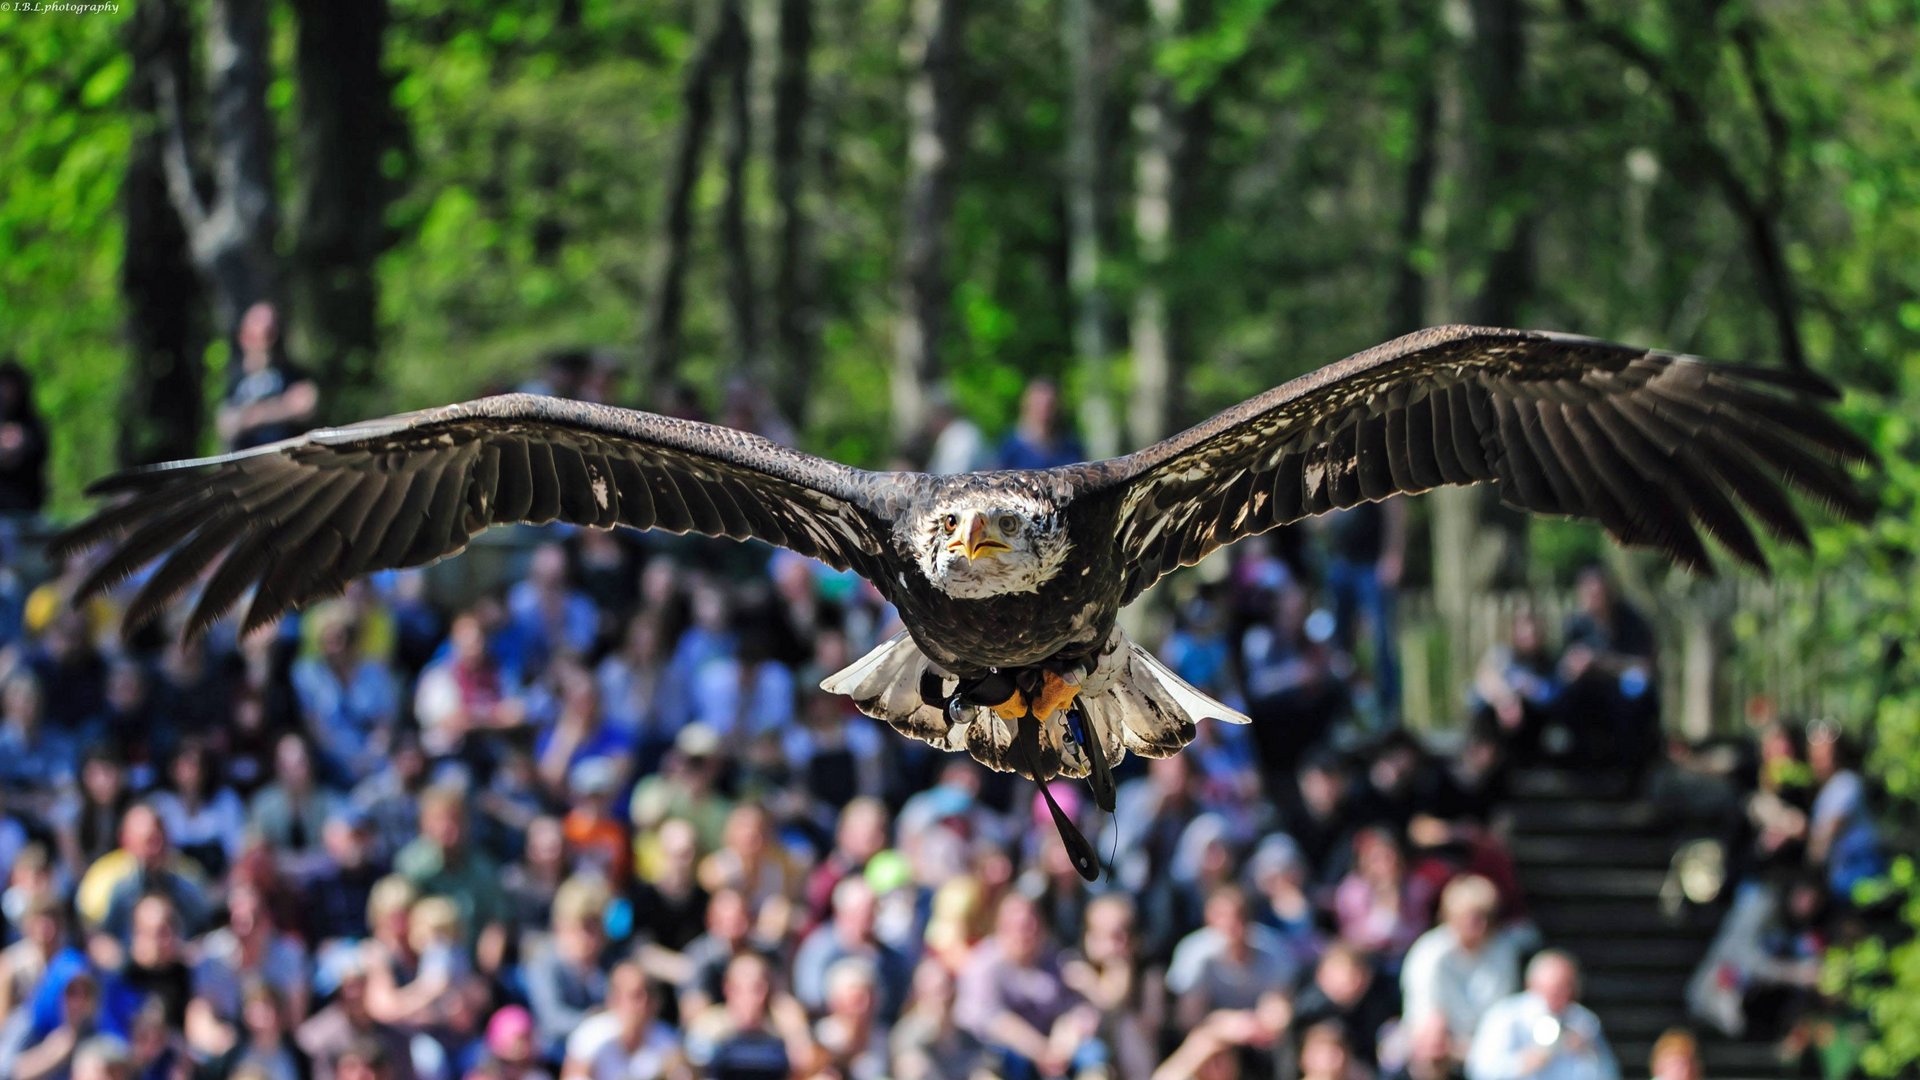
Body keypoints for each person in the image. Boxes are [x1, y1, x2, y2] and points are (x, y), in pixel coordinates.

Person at [953, 892, 1100, 1078]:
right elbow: (990, 1019)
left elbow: (1078, 1008)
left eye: (1032, 924)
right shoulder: (983, 963)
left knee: (1093, 1056)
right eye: (1019, 926)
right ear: (1001, 927)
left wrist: (1065, 1036)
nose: (1027, 932)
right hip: (995, 1053)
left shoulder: (1054, 959)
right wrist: (1040, 1050)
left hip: (1052, 1055)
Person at [1400, 875, 1521, 1055]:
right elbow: (1421, 1012)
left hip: (1489, 1046)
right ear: (1452, 916)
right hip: (1438, 1043)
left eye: (1485, 916)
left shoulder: (1503, 952)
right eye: (1472, 918)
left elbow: (1503, 1009)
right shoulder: (1429, 953)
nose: (1480, 925)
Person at [1466, 951, 1618, 1080]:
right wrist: (1526, 1061)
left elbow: (1610, 1074)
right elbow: (1479, 1070)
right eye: (1553, 989)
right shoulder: (1505, 1016)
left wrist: (1589, 1053)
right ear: (1531, 985)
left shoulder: (1582, 1020)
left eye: (1567, 988)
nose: (1561, 996)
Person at [218, 302, 319, 451]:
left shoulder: (291, 374)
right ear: (244, 335)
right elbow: (225, 425)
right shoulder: (235, 378)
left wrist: (251, 416)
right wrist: (283, 407)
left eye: (272, 329)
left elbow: (306, 405)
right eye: (261, 328)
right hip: (247, 467)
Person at [560, 962, 683, 1080]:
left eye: (649, 995)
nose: (643, 1004)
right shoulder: (591, 1035)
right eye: (636, 996)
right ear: (615, 998)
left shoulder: (667, 1038)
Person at [994, 380, 1085, 471]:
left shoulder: (1071, 448)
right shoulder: (1010, 448)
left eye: (1050, 405)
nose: (1044, 411)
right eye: (1038, 404)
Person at [0, 357, 49, 520]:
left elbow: (41, 451)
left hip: (25, 507)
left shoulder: (32, 424)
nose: (6, 392)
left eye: (11, 386)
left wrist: (22, 443)